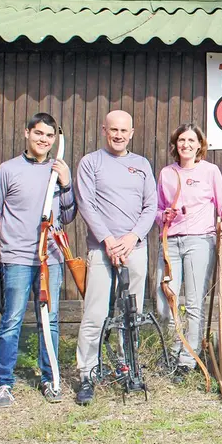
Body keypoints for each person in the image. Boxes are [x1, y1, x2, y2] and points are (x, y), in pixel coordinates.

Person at [0, 113, 77, 406]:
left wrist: (66, 185)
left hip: (49, 258)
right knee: (12, 319)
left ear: (55, 139)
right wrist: (5, 244)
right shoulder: (7, 170)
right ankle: (3, 383)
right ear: (27, 132)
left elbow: (67, 215)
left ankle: (50, 378)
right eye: (39, 133)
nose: (44, 140)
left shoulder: (57, 171)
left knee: (49, 321)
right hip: (17, 257)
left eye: (50, 136)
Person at [74, 110, 157, 404]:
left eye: (124, 130)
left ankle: (128, 367)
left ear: (132, 133)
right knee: (95, 314)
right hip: (102, 249)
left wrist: (131, 238)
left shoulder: (141, 165)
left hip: (134, 248)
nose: (119, 135)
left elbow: (151, 207)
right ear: (104, 130)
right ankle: (87, 373)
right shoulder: (90, 163)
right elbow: (86, 205)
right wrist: (109, 240)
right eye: (113, 130)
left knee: (130, 315)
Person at [154, 123, 222, 382]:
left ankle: (189, 359)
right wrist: (163, 215)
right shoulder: (166, 173)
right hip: (170, 243)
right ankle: (172, 354)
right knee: (168, 302)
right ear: (175, 145)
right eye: (181, 140)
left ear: (200, 145)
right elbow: (156, 210)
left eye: (191, 140)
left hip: (200, 241)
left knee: (195, 302)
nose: (186, 145)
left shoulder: (210, 171)